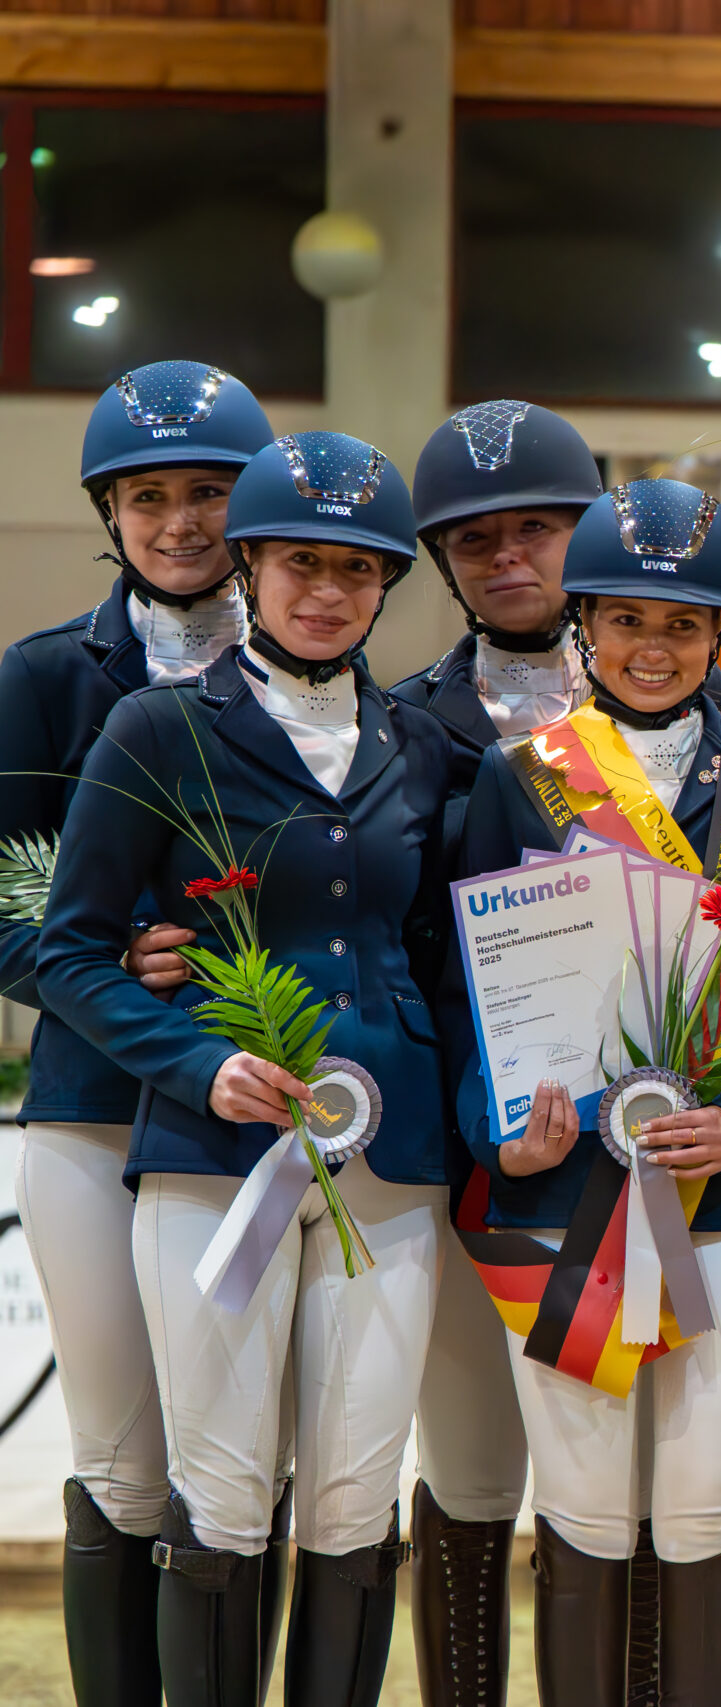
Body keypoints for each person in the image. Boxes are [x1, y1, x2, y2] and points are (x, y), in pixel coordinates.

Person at [38, 431, 450, 1707]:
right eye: (297, 565)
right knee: (216, 1490)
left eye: (353, 571)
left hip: (392, 1166)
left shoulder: (423, 743)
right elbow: (71, 951)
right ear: (253, 564)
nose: (324, 593)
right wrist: (196, 1062)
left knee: (350, 1493)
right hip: (215, 1159)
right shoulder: (159, 728)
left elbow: (449, 949)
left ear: (385, 584)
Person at [450, 479, 721, 1707]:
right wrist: (500, 1129)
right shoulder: (520, 775)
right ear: (582, 623)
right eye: (626, 620)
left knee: (701, 1515)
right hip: (558, 1198)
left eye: (683, 625)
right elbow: (475, 988)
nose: (652, 647)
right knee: (579, 1511)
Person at [0, 359, 271, 1707]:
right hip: (96, 1095)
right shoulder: (46, 675)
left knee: (241, 1456)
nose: (180, 520)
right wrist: (94, 960)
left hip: (259, 1109)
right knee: (122, 1453)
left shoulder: (313, 675)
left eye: (208, 491)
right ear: (109, 513)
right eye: (149, 495)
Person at [394, 398, 604, 1707]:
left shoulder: (676, 709)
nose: (508, 557)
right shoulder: (406, 727)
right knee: (469, 1469)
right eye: (475, 540)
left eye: (536, 528)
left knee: (612, 1483)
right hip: (470, 1147)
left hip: (641, 1157)